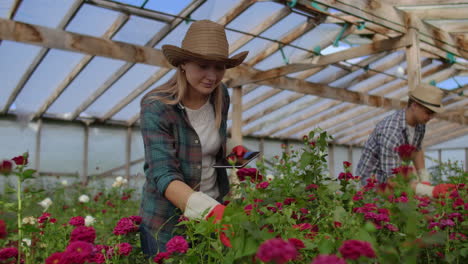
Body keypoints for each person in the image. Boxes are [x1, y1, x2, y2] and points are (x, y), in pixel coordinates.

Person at [138, 20, 248, 257]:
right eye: (203, 65)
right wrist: (213, 213)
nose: (212, 76)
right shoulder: (157, 106)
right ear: (183, 64)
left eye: (219, 67)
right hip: (167, 224)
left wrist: (235, 152)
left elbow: (209, 142)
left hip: (213, 210)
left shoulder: (220, 95)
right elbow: (163, 173)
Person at [355, 83, 454, 197]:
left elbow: (416, 150)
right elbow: (392, 180)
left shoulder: (420, 124)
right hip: (372, 187)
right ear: (414, 105)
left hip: (392, 185)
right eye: (428, 112)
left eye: (433, 113)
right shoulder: (391, 131)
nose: (431, 117)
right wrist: (430, 191)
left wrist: (424, 179)